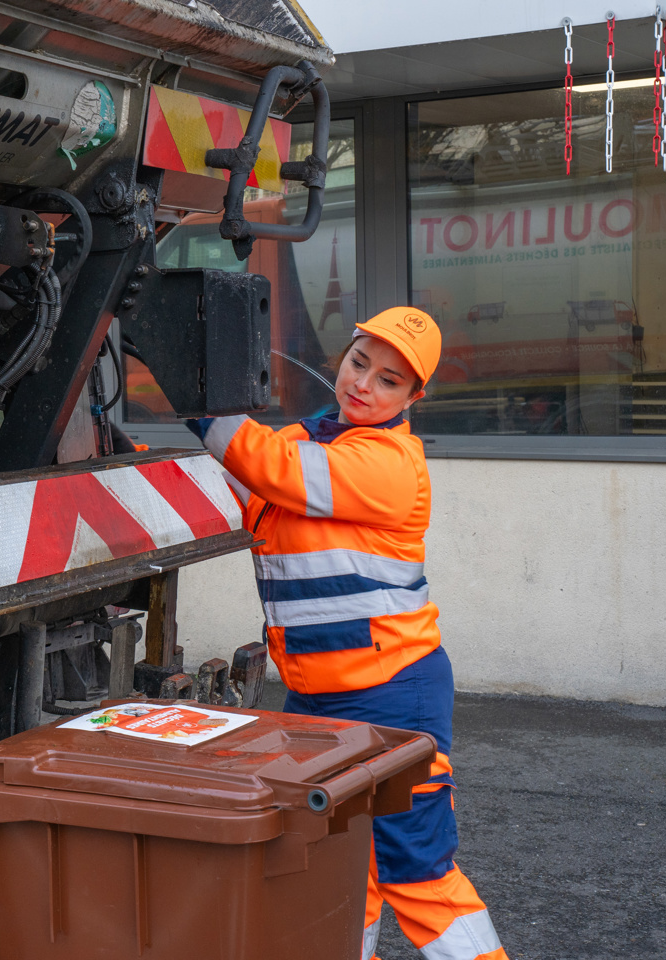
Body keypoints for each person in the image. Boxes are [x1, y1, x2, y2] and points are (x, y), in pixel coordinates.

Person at [187, 307, 507, 960]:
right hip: (318, 699)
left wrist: (192, 392)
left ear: (414, 397)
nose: (364, 384)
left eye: (389, 381)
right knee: (335, 869)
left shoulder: (388, 462)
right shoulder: (318, 438)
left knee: (416, 871)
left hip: (392, 696)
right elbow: (253, 488)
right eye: (360, 362)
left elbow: (265, 466)